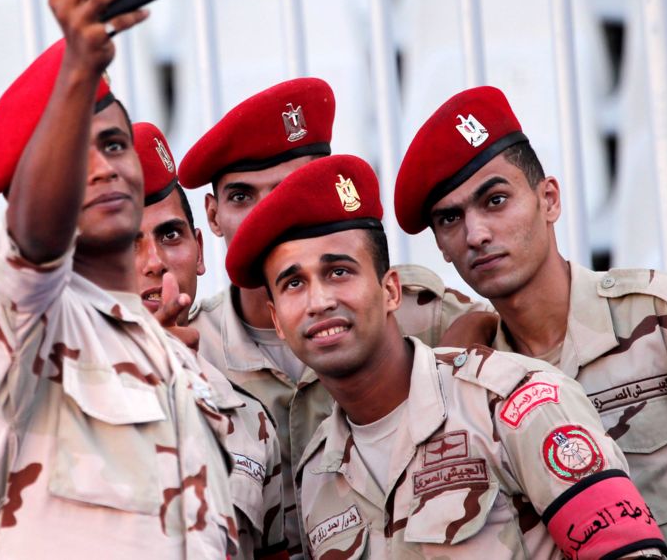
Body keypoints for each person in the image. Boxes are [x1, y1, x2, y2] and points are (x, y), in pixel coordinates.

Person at [226, 153, 667, 558]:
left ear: (390, 291)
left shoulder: (514, 402)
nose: (319, 301)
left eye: (338, 271)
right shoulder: (317, 474)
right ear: (278, 320)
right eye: (294, 284)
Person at [0, 0, 238, 558]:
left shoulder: (189, 370)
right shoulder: (22, 316)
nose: (104, 168)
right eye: (74, 155)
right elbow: (32, 242)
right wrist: (80, 65)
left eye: (113, 144)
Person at [394, 85, 667, 556]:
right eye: (450, 220)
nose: (477, 234)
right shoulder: (480, 388)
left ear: (548, 199)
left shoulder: (665, 317)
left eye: (495, 201)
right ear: (442, 249)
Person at [176, 78, 486, 555]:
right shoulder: (192, 352)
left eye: (287, 191)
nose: (267, 215)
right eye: (242, 197)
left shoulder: (418, 310)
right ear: (213, 216)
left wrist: (467, 338)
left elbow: (504, 350)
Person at [132, 121, 288, 559]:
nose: (155, 262)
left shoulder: (248, 419)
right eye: (127, 243)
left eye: (169, 235)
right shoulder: (57, 403)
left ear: (200, 251)